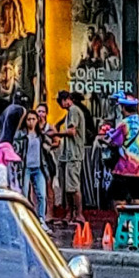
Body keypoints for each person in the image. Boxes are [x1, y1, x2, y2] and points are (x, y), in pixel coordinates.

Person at [52, 92, 87, 228]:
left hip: (73, 154)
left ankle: (78, 213)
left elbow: (72, 131)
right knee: (67, 186)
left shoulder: (73, 110)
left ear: (66, 100)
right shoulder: (69, 113)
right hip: (67, 154)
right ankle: (70, 213)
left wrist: (55, 133)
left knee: (73, 186)